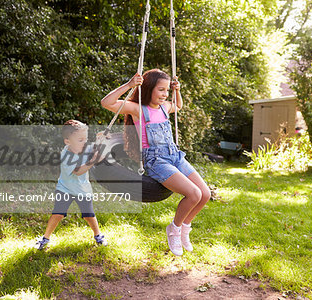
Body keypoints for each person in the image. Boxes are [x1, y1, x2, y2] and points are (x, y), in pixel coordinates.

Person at [101, 69, 211, 256]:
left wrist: (177, 91)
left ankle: (185, 227)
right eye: (161, 90)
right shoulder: (138, 110)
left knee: (205, 194)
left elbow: (178, 105)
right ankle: (173, 229)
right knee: (193, 194)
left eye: (167, 90)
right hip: (156, 160)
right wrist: (129, 85)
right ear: (149, 88)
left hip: (174, 155)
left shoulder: (164, 107)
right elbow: (107, 103)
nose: (165, 95)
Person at [34, 120, 108, 250]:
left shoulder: (83, 146)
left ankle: (98, 235)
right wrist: (93, 160)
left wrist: (100, 140)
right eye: (80, 140)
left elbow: (95, 148)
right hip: (65, 190)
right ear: (67, 141)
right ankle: (45, 238)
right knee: (58, 214)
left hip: (83, 190)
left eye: (85, 139)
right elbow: (78, 171)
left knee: (89, 215)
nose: (84, 142)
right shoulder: (66, 155)